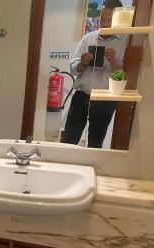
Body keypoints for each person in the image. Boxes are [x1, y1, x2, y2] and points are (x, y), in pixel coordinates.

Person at [62, 0, 127, 148]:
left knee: (96, 142)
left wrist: (115, 61)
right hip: (81, 96)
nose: (104, 24)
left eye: (109, 20)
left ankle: (90, 169)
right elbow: (73, 69)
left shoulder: (126, 41)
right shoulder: (88, 38)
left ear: (117, 20)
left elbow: (127, 75)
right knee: (69, 138)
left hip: (106, 100)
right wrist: (83, 62)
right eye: (102, 20)